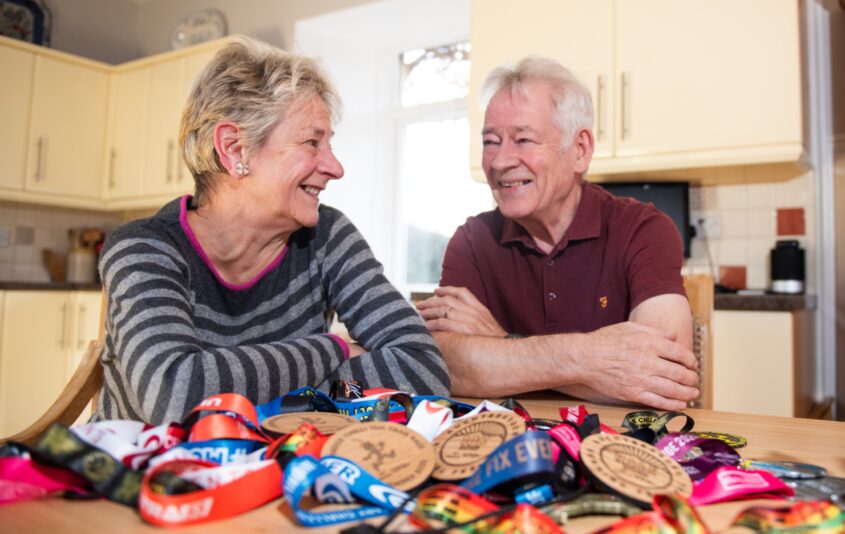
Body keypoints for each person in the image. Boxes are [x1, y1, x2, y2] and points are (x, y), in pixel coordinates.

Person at [94, 37, 449, 424]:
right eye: (312, 142)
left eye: (329, 143)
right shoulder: (144, 248)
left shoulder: (327, 236)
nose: (335, 167)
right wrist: (334, 349)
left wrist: (249, 390)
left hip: (273, 475)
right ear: (234, 149)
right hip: (137, 477)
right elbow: (174, 394)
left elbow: (423, 369)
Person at [416, 57, 697, 410]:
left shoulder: (643, 228)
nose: (500, 161)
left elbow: (664, 375)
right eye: (490, 141)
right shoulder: (472, 240)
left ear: (579, 150)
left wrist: (501, 342)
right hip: (504, 441)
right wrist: (594, 362)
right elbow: (446, 365)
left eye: (523, 139)